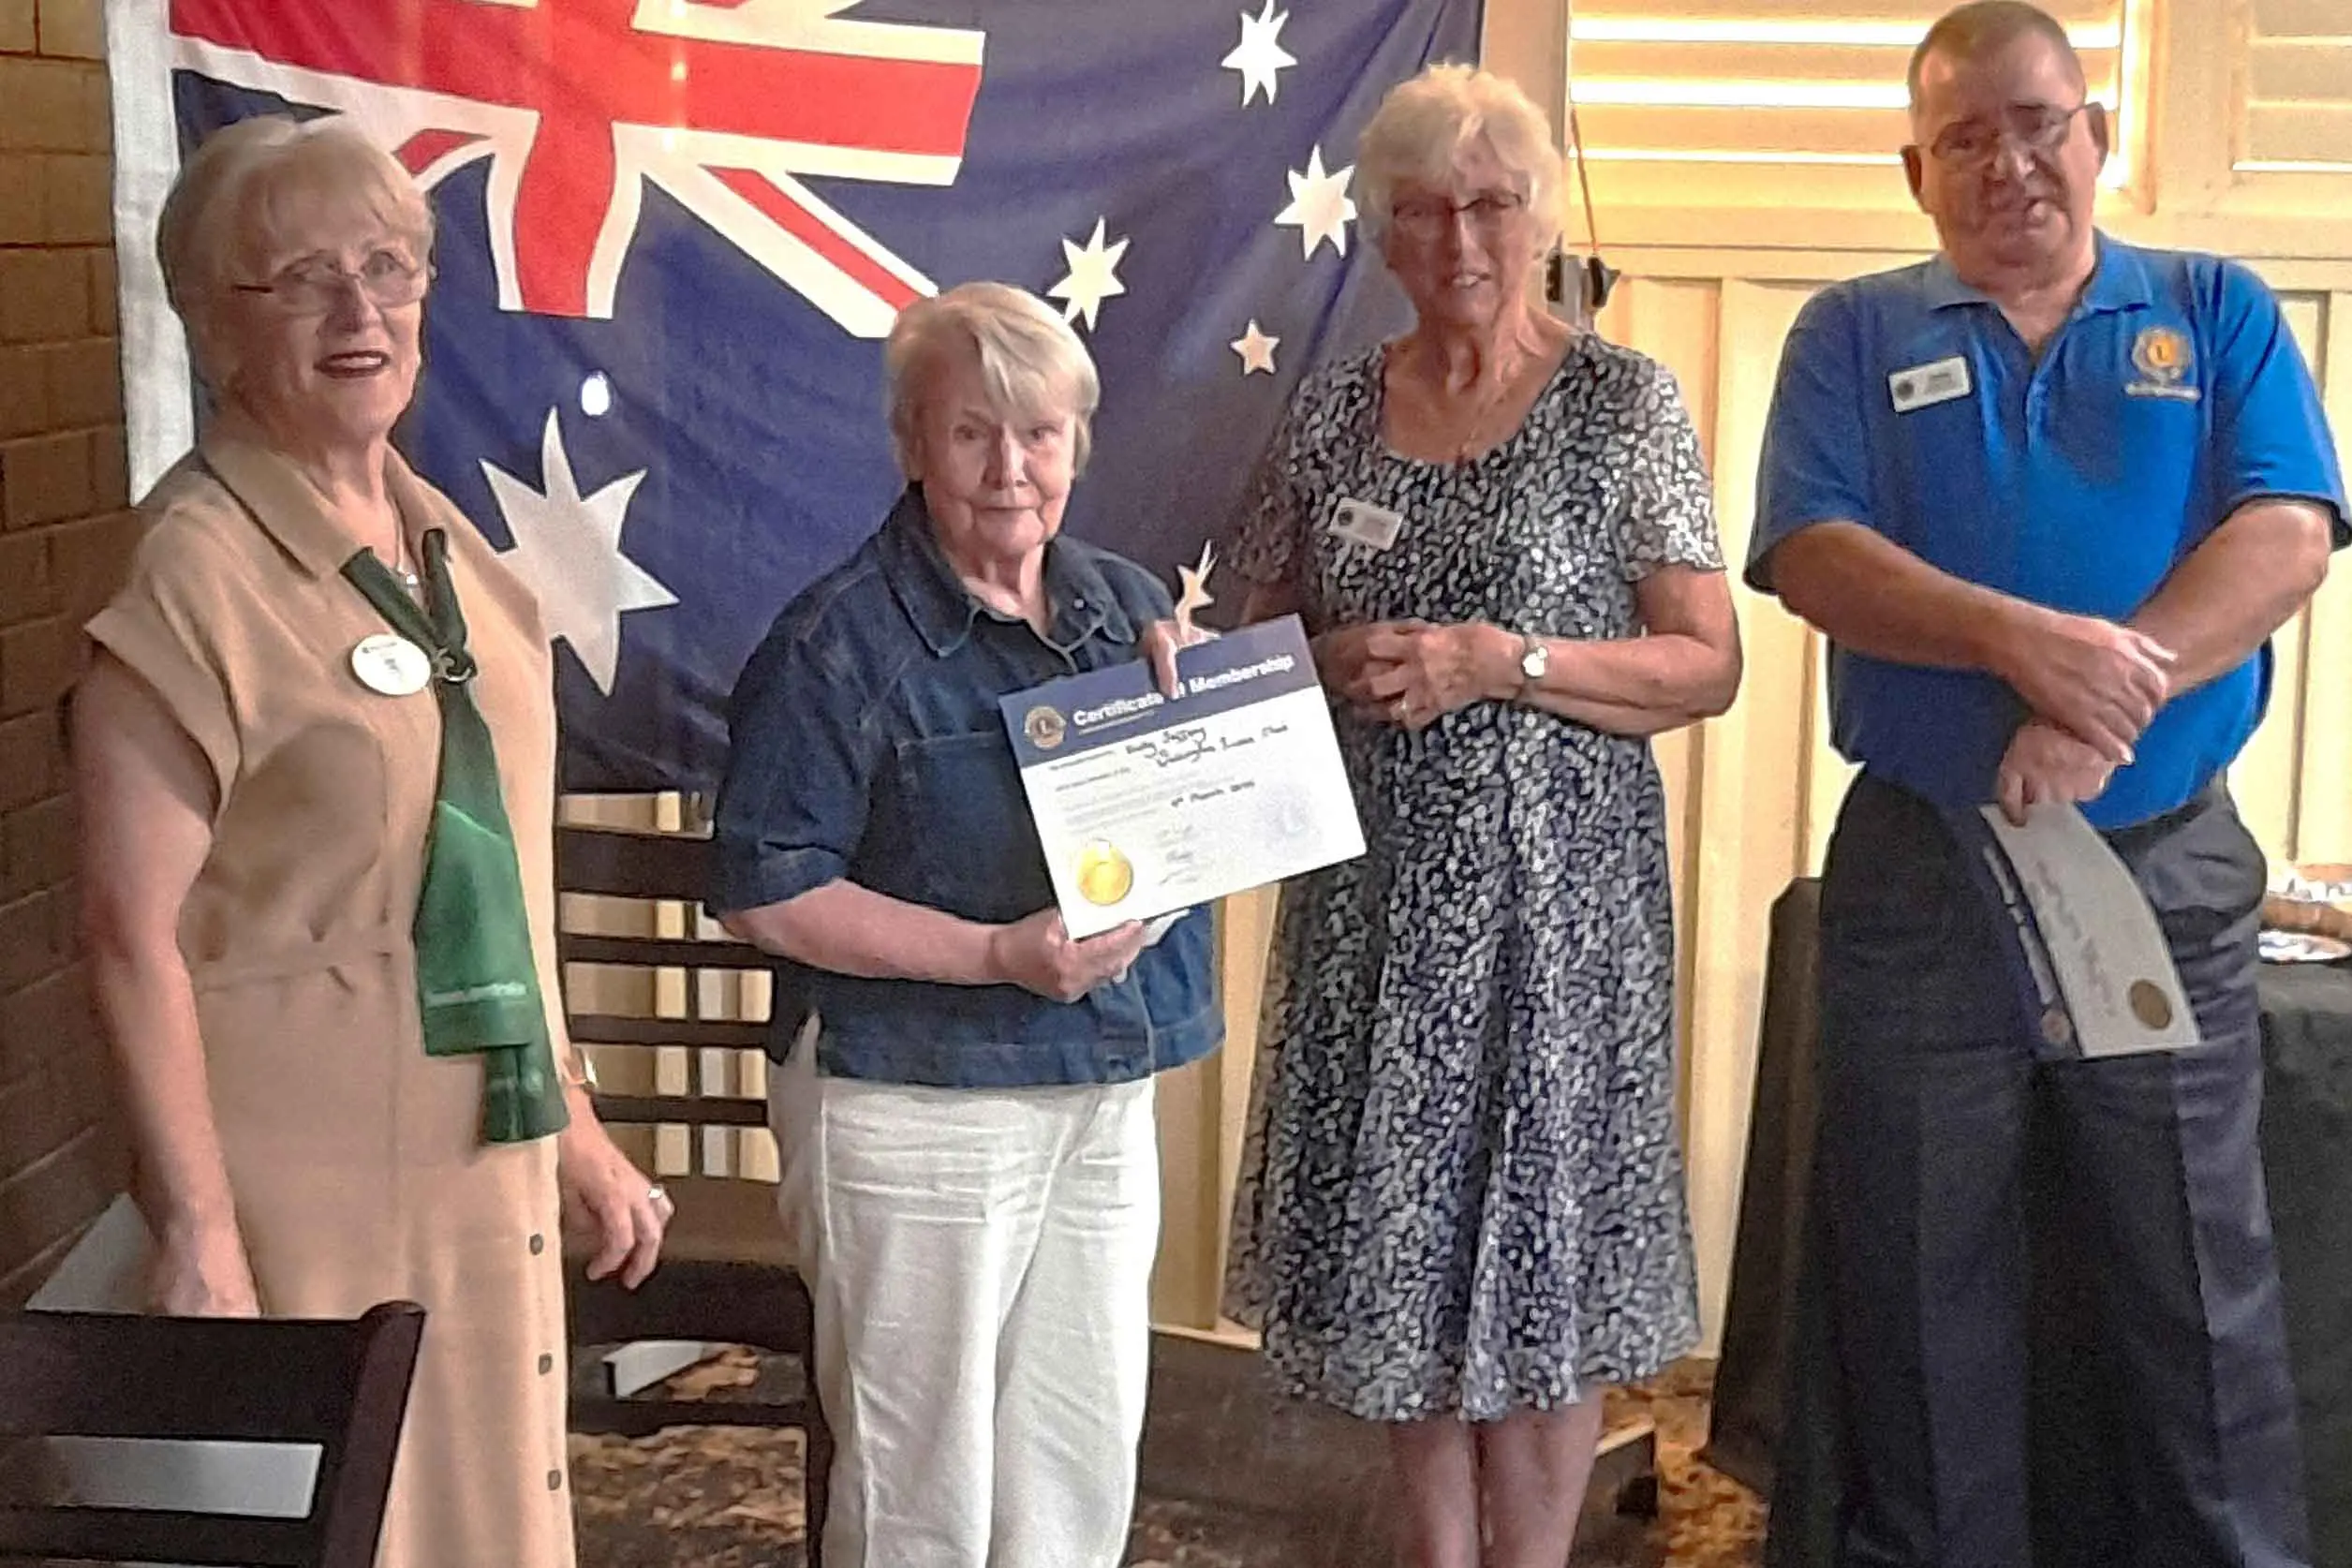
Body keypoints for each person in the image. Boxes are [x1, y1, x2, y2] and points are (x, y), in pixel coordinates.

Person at [1747, 4, 2346, 1563]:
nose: (2007, 163)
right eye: (1963, 138)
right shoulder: (1851, 335)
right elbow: (1812, 554)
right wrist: (2022, 645)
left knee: (2194, 1294)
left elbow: (2285, 531)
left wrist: (2107, 694)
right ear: (1912, 168)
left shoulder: (2211, 310)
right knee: (1922, 1293)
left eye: (2036, 124)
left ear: (2096, 138)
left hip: (2156, 860)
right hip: (1923, 876)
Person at [71, 114, 671, 1568]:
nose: (361, 312)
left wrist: (576, 1128)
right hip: (305, 1190)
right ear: (215, 325)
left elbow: (495, 872)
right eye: (300, 280)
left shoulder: (434, 537)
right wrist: (201, 1229)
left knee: (482, 1516)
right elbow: (122, 933)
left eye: (390, 269)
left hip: (479, 1165)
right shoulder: (193, 574)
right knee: (360, 1530)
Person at [1217, 63, 1742, 1568]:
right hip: (1375, 911)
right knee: (1403, 1245)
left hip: (1562, 917)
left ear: (1538, 216)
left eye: (1491, 203)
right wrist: (1329, 659)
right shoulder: (1328, 412)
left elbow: (1705, 662)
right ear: (1382, 235)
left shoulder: (1621, 401)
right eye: (1425, 209)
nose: (1459, 238)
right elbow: (1249, 658)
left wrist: (1498, 660)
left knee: (1544, 1262)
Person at [708, 280, 1222, 1568]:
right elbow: (768, 888)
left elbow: (1179, 813)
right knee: (916, 1486)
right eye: (970, 433)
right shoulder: (836, 645)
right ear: (909, 445)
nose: (1009, 469)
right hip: (913, 1099)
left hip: (1099, 1084)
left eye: (1038, 433)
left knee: (1075, 1456)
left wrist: (1210, 734)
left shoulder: (1121, 604)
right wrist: (994, 954)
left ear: (1077, 445)